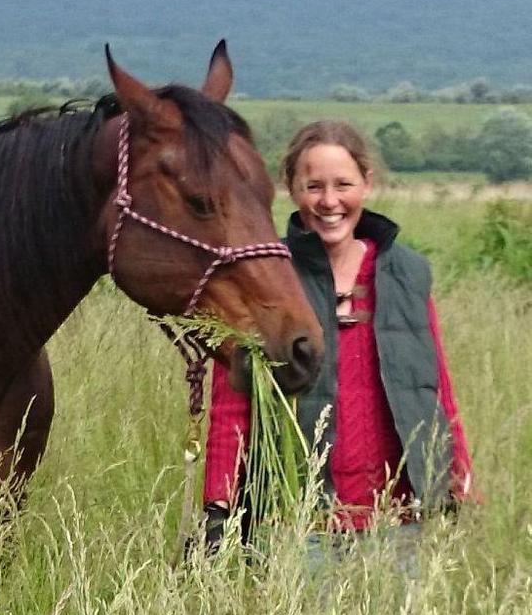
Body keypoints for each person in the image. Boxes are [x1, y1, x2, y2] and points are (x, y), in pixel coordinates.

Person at [202, 120, 474, 549]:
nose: (329, 201)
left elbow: (436, 387)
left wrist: (458, 480)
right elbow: (232, 404)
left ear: (366, 183)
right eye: (313, 186)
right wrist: (218, 504)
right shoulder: (263, 279)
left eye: (343, 184)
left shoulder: (406, 273)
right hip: (296, 521)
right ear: (290, 187)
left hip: (399, 518)